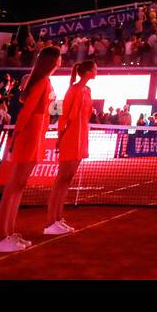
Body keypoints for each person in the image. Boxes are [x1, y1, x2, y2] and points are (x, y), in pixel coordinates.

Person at [0, 45, 60, 252]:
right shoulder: (42, 82)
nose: (61, 61)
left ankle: (9, 232)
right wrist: (16, 135)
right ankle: (0, 237)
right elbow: (27, 112)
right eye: (58, 58)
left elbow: (46, 110)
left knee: (19, 186)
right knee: (14, 186)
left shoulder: (45, 82)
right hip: (30, 135)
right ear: (52, 61)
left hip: (37, 135)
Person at [46, 60, 95, 235]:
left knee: (68, 179)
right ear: (88, 72)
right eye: (95, 68)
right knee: (61, 179)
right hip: (71, 137)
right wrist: (60, 136)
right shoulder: (73, 89)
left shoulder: (87, 91)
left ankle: (58, 218)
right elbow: (63, 114)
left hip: (82, 138)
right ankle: (50, 221)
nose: (97, 71)